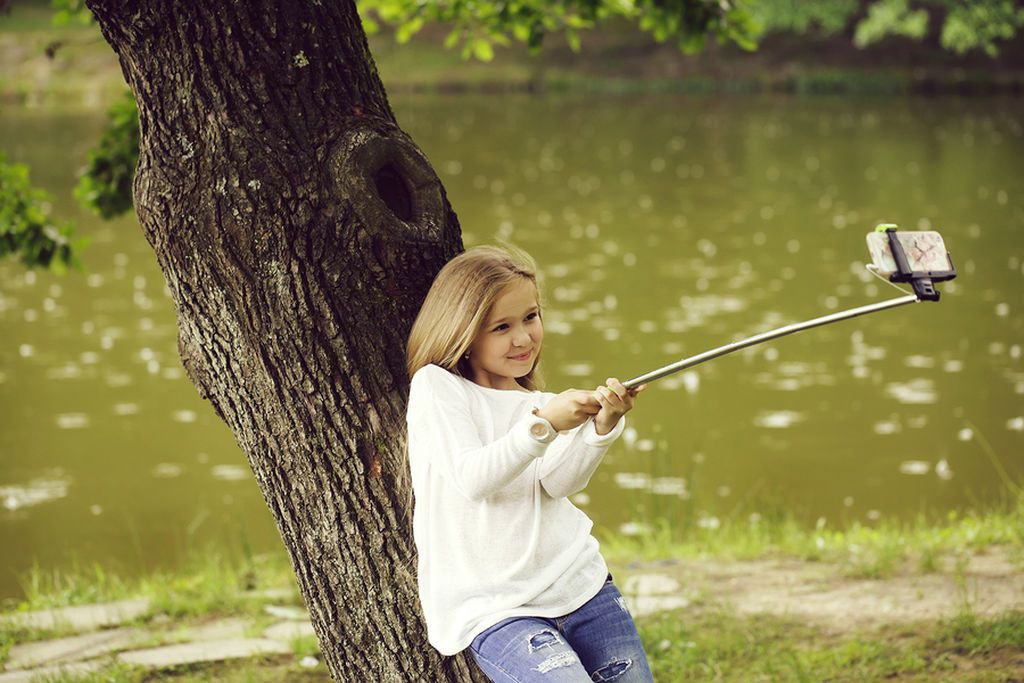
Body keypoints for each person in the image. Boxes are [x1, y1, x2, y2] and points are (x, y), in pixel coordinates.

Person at [405, 244, 653, 682]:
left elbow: (557, 484)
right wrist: (545, 425)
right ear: (463, 331)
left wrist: (603, 424)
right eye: (501, 326)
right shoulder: (438, 388)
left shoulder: (536, 404)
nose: (523, 338)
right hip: (498, 610)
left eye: (531, 318)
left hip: (582, 586)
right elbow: (472, 478)